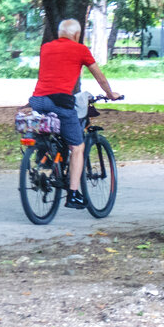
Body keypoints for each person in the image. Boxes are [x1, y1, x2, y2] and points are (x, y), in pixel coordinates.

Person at [29, 18, 121, 208]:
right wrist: (110, 94)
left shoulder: (46, 47)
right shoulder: (81, 50)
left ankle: (46, 166)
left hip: (37, 100)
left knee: (51, 135)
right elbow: (100, 76)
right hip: (60, 102)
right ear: (77, 35)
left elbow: (49, 75)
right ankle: (72, 194)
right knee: (77, 147)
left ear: (60, 32)